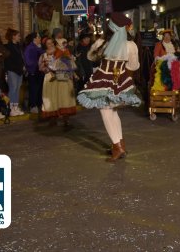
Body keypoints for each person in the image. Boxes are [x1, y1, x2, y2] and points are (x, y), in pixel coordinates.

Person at [78, 12, 141, 162]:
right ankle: (120, 144)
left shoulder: (103, 42)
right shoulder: (130, 45)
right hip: (120, 78)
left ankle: (117, 147)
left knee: (106, 112)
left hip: (103, 78)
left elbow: (90, 57)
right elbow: (134, 65)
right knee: (113, 111)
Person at [38, 38, 77, 127]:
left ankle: (66, 119)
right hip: (50, 78)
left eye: (52, 43)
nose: (51, 44)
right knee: (52, 98)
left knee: (64, 98)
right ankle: (53, 119)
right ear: (45, 45)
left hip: (62, 78)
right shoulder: (43, 55)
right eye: (48, 43)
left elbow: (70, 63)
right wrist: (46, 66)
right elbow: (40, 67)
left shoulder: (62, 51)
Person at [4, 28, 25, 116]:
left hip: (19, 71)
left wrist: (23, 66)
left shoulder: (19, 46)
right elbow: (7, 60)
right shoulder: (7, 46)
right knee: (12, 89)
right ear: (13, 37)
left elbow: (21, 58)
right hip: (12, 70)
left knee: (17, 89)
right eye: (18, 36)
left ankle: (16, 107)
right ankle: (10, 107)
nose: (20, 37)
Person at [24, 32, 44, 113]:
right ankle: (33, 105)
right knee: (33, 89)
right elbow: (28, 61)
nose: (40, 38)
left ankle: (38, 104)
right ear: (34, 39)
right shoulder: (30, 48)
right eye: (38, 37)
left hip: (39, 71)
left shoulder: (37, 47)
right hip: (33, 71)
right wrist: (38, 64)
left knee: (39, 89)